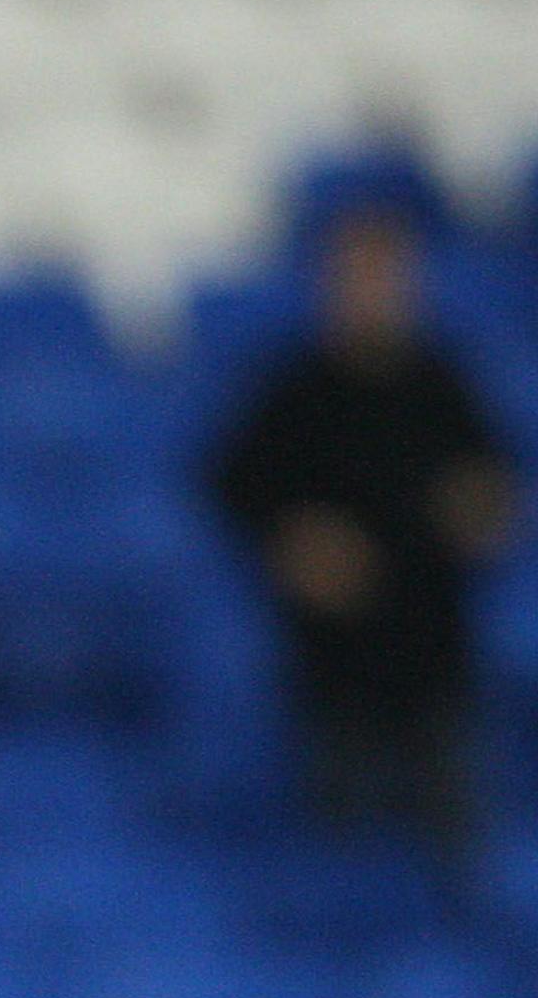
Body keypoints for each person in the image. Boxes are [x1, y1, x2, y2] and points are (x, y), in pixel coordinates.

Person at [208, 204, 517, 850]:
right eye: (356, 278)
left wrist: (482, 511)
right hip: (334, 669)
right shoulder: (295, 392)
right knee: (340, 845)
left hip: (434, 658)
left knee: (450, 838)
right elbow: (231, 487)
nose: (372, 294)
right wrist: (293, 541)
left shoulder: (444, 384)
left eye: (387, 277)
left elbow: (497, 487)